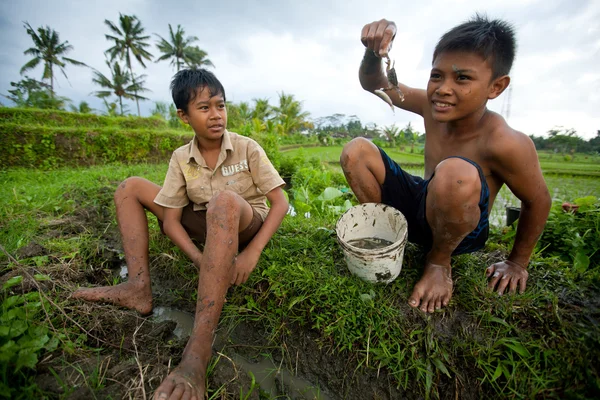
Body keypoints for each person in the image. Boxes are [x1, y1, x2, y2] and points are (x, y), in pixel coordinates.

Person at [73, 68, 288, 399]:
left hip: (244, 223)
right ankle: (138, 287)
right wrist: (201, 259)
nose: (216, 115)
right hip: (207, 223)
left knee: (225, 201)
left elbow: (279, 202)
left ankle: (196, 354)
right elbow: (171, 221)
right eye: (204, 108)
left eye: (220, 105)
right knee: (131, 187)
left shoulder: (247, 149)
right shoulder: (181, 159)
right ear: (184, 116)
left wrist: (252, 252)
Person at [340, 15, 551, 314]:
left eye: (462, 78)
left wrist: (517, 262)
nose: (442, 88)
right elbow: (375, 83)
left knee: (456, 173)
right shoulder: (430, 105)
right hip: (423, 208)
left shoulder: (505, 141)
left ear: (496, 87)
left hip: (460, 232)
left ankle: (438, 262)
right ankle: (389, 235)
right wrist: (373, 53)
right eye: (436, 76)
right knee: (356, 151)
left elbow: (538, 199)